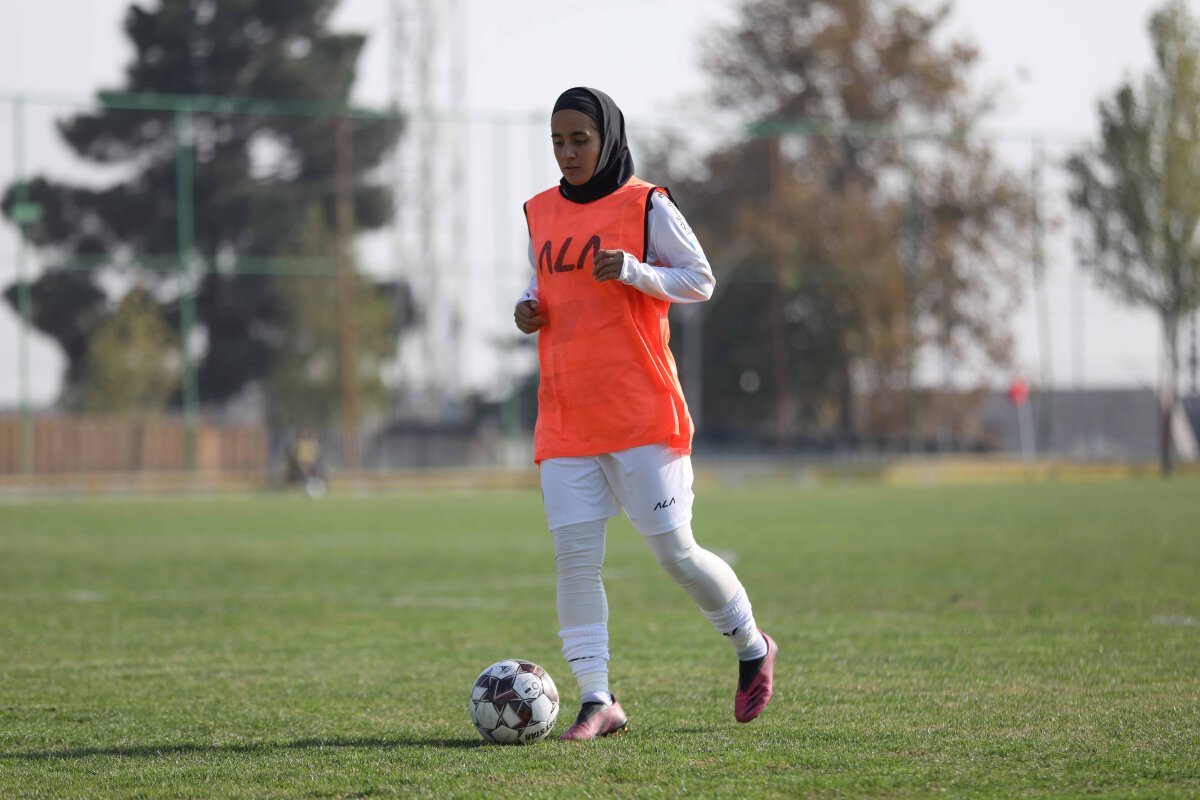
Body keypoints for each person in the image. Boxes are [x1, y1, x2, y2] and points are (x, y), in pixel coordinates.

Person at [513, 87, 778, 741]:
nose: (568, 152)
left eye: (580, 139)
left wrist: (635, 271)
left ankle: (751, 644)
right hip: (566, 414)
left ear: (607, 138)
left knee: (676, 554)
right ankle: (597, 699)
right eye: (558, 142)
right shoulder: (539, 211)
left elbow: (700, 279)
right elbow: (544, 282)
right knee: (575, 560)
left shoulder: (645, 204)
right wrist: (528, 307)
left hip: (639, 412)